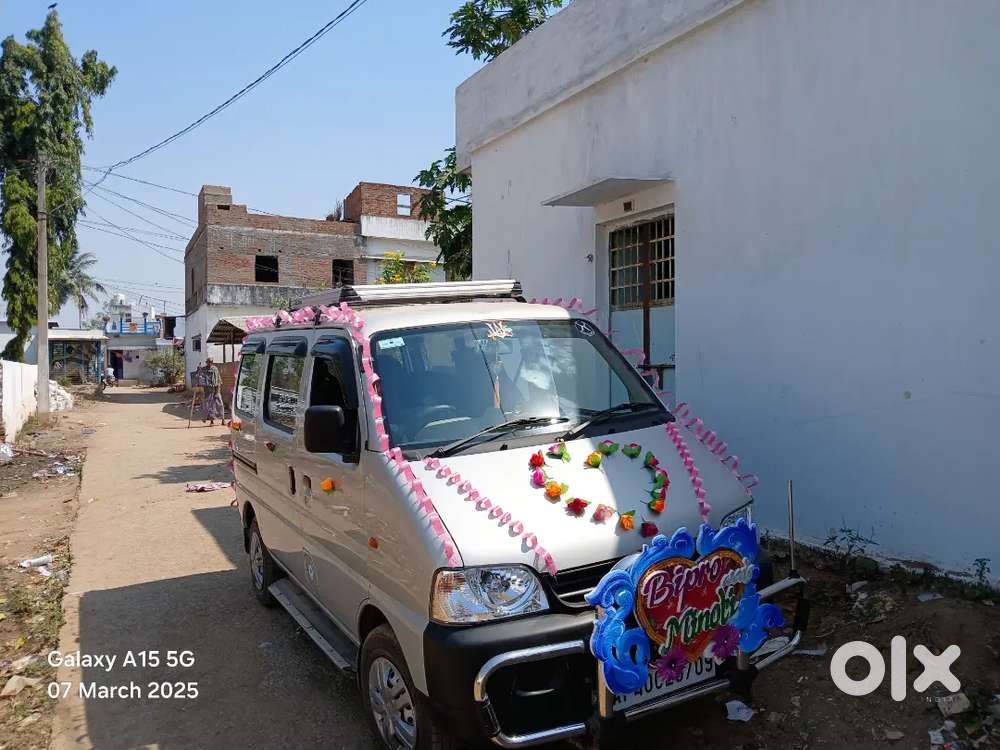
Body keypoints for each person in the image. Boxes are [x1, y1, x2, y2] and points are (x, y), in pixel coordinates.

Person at [202, 358, 224, 426]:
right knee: (209, 406)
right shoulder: (204, 369)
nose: (209, 363)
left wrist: (217, 392)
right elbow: (200, 378)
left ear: (212, 362)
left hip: (215, 390)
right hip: (207, 391)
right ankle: (211, 421)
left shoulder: (215, 369)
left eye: (210, 362)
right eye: (208, 362)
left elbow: (218, 380)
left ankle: (223, 420)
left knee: (220, 405)